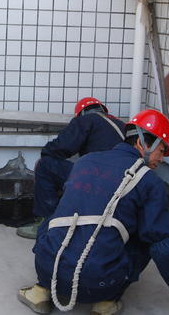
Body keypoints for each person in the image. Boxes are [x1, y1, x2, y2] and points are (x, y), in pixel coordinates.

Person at [17, 109, 169, 315]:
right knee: (147, 235)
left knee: (62, 212)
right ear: (144, 143)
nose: (161, 159)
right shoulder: (150, 182)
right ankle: (106, 303)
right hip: (99, 283)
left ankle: (40, 292)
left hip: (46, 268)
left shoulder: (85, 161)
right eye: (161, 151)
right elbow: (161, 242)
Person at [16, 97, 126, 239]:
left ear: (81, 113)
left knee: (45, 165)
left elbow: (60, 148)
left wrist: (48, 154)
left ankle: (47, 223)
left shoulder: (87, 120)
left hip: (98, 182)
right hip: (122, 187)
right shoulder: (122, 126)